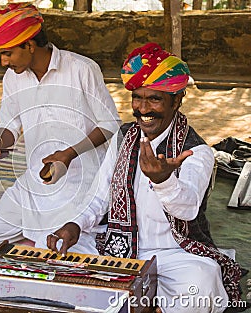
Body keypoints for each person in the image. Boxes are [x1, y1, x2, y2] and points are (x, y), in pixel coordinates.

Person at [47, 43, 242, 312]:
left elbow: (187, 208)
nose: (143, 108)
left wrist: (164, 181)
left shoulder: (196, 151)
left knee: (203, 282)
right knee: (58, 252)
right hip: (120, 247)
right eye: (137, 98)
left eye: (154, 99)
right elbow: (99, 196)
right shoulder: (124, 137)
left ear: (177, 100)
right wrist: (76, 224)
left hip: (176, 254)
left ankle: (149, 300)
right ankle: (145, 300)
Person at [0, 3, 121, 251]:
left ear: (29, 46)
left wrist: (69, 154)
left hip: (81, 183)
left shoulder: (81, 69)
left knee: (51, 245)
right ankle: (44, 229)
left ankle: (77, 229)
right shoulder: (13, 77)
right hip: (36, 179)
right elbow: (9, 124)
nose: (3, 61)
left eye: (7, 53)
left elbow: (111, 124)